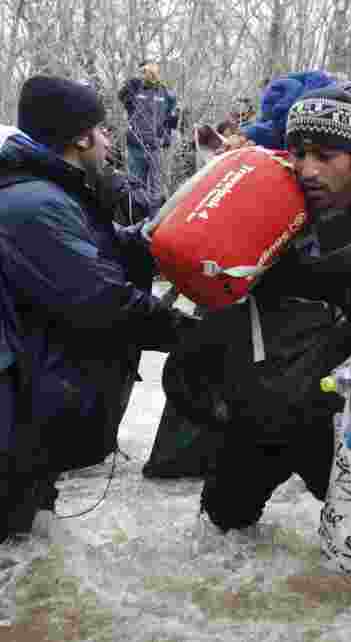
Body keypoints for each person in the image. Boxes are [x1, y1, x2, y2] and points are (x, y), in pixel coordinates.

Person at [193, 86, 351, 533]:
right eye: (298, 153)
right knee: (219, 531)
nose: (308, 169)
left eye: (325, 156)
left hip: (340, 420)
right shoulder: (271, 210)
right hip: (260, 412)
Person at [0, 76, 195, 541]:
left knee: (28, 533)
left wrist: (147, 243)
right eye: (103, 129)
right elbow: (100, 301)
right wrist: (190, 335)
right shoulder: (36, 204)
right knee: (14, 536)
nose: (110, 140)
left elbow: (88, 251)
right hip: (14, 402)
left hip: (26, 394)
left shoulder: (46, 190)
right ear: (80, 137)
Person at [118, 60, 178, 203]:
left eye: (152, 70)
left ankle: (155, 213)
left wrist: (166, 138)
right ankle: (138, 213)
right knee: (136, 184)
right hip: (135, 145)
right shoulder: (134, 88)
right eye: (144, 71)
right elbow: (121, 97)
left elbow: (171, 119)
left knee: (156, 187)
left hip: (156, 146)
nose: (148, 74)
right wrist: (130, 84)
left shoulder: (166, 93)